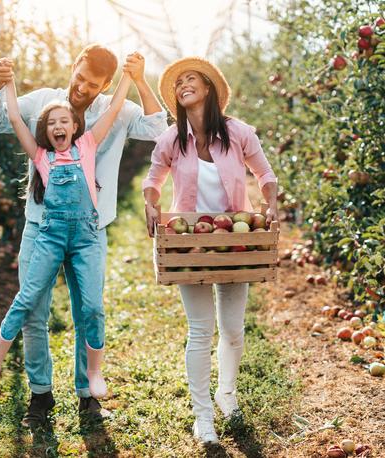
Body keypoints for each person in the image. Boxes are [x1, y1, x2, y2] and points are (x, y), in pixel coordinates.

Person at [0, 45, 167, 426]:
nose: (81, 87)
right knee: (33, 310)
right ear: (73, 67)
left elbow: (158, 129)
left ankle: (87, 395)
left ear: (106, 85)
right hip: (41, 226)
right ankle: (40, 396)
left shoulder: (116, 110)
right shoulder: (45, 103)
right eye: (79, 77)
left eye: (92, 84)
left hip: (89, 230)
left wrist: (141, 80)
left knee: (89, 310)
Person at [141, 57, 278, 444]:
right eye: (178, 81)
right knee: (200, 331)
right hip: (190, 244)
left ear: (208, 88)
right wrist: (151, 202)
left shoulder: (238, 133)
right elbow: (153, 179)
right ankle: (203, 418)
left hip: (236, 242)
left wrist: (270, 203)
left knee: (233, 332)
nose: (183, 84)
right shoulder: (172, 138)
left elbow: (265, 174)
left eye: (191, 79)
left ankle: (227, 394)